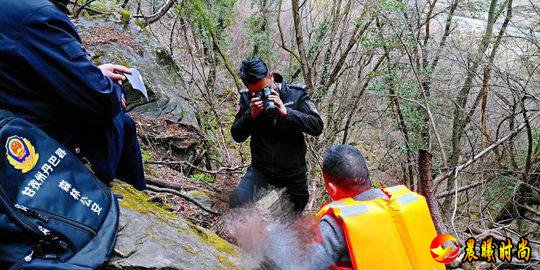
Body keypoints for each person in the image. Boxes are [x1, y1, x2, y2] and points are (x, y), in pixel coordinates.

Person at [0, 0, 145, 189]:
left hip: (14, 117)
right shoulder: (39, 17)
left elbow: (29, 68)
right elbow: (99, 100)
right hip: (39, 149)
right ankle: (117, 204)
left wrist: (94, 73)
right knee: (123, 122)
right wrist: (115, 91)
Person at [230, 57, 323, 213]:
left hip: (292, 174)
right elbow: (237, 135)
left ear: (271, 76)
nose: (260, 94)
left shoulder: (295, 94)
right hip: (261, 171)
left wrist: (288, 113)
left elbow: (317, 126)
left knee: (292, 217)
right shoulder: (247, 98)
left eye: (263, 89)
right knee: (238, 202)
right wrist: (250, 115)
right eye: (255, 91)